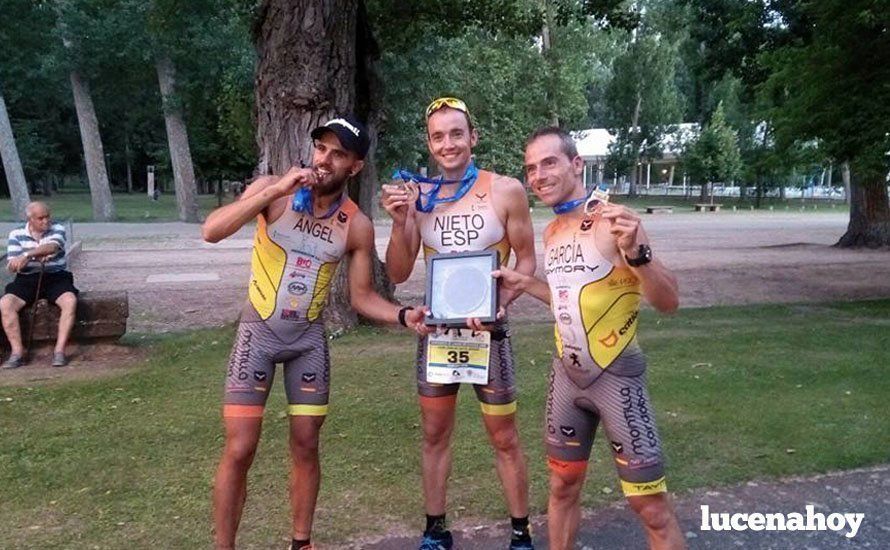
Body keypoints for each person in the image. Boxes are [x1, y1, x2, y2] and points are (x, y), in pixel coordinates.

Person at [202, 115, 430, 550]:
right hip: (258, 334)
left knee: (306, 444)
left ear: (355, 167)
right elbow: (212, 231)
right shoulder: (275, 192)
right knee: (239, 448)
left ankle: (301, 543)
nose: (324, 160)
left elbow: (362, 297)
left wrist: (402, 316)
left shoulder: (356, 224)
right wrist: (274, 191)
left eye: (338, 153)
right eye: (321, 148)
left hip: (307, 340)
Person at [495, 127, 686, 550]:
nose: (539, 175)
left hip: (617, 377)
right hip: (566, 377)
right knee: (562, 486)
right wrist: (526, 285)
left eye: (549, 162)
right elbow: (571, 301)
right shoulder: (553, 231)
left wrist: (639, 253)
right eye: (531, 167)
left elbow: (668, 300)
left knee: (650, 506)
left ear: (576, 164)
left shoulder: (615, 220)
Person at [381, 97, 537, 550]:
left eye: (456, 133)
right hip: (438, 334)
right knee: (434, 434)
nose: (447, 144)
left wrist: (502, 303)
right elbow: (396, 272)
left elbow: (525, 258)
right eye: (437, 136)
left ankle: (520, 533)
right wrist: (399, 221)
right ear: (429, 145)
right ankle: (435, 530)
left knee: (504, 436)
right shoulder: (420, 197)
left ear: (473, 137)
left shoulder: (505, 190)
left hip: (489, 332)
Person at [1, 201, 78, 368]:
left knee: (70, 301)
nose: (46, 221)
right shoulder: (16, 234)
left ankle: (59, 351)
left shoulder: (57, 229)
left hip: (56, 277)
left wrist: (28, 255)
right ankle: (17, 353)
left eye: (47, 217)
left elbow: (52, 247)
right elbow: (12, 263)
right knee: (6, 303)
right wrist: (15, 265)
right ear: (30, 219)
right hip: (27, 279)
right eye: (40, 218)